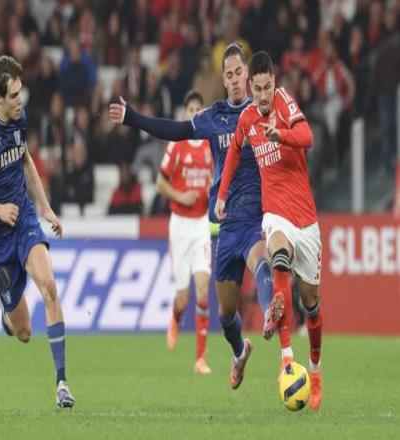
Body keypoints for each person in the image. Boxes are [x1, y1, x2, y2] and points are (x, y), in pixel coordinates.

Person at [109, 43, 280, 390]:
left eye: (239, 72)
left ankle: (269, 312)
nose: (235, 79)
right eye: (229, 74)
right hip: (226, 224)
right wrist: (132, 117)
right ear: (224, 79)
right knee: (225, 314)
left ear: (248, 75)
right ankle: (239, 351)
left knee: (261, 260)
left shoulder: (264, 110)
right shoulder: (214, 117)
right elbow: (174, 130)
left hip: (255, 219)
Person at [0, 55, 75, 409]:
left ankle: (62, 383)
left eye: (20, 92)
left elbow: (25, 160)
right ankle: (8, 318)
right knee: (23, 331)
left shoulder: (19, 119)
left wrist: (45, 207)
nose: (19, 100)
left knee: (49, 286)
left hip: (23, 220)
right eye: (13, 95)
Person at [215, 51, 323, 410]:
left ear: (274, 82)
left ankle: (315, 370)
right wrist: (222, 194)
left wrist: (283, 135)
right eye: (257, 89)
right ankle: (286, 359)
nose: (263, 95)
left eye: (267, 88)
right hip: (275, 215)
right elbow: (234, 152)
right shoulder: (247, 118)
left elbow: (307, 136)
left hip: (305, 218)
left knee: (311, 304)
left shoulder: (284, 103)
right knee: (277, 256)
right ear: (250, 86)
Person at [156, 90, 214, 375]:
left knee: (203, 290)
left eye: (198, 109)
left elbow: (215, 179)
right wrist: (181, 196)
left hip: (201, 224)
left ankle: (200, 359)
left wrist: (213, 190)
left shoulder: (210, 145)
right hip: (179, 225)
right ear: (185, 113)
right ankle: (176, 317)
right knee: (183, 298)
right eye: (190, 109)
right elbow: (160, 183)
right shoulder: (176, 145)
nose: (195, 113)